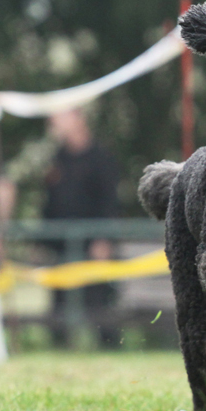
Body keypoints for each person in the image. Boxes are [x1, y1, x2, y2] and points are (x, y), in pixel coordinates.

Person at [43, 109, 120, 348]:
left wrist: (103, 239)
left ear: (78, 118)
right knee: (60, 307)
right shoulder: (57, 158)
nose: (53, 121)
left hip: (93, 246)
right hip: (62, 249)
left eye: (59, 115)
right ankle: (59, 351)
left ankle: (109, 351)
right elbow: (49, 204)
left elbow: (110, 203)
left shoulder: (101, 159)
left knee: (98, 305)